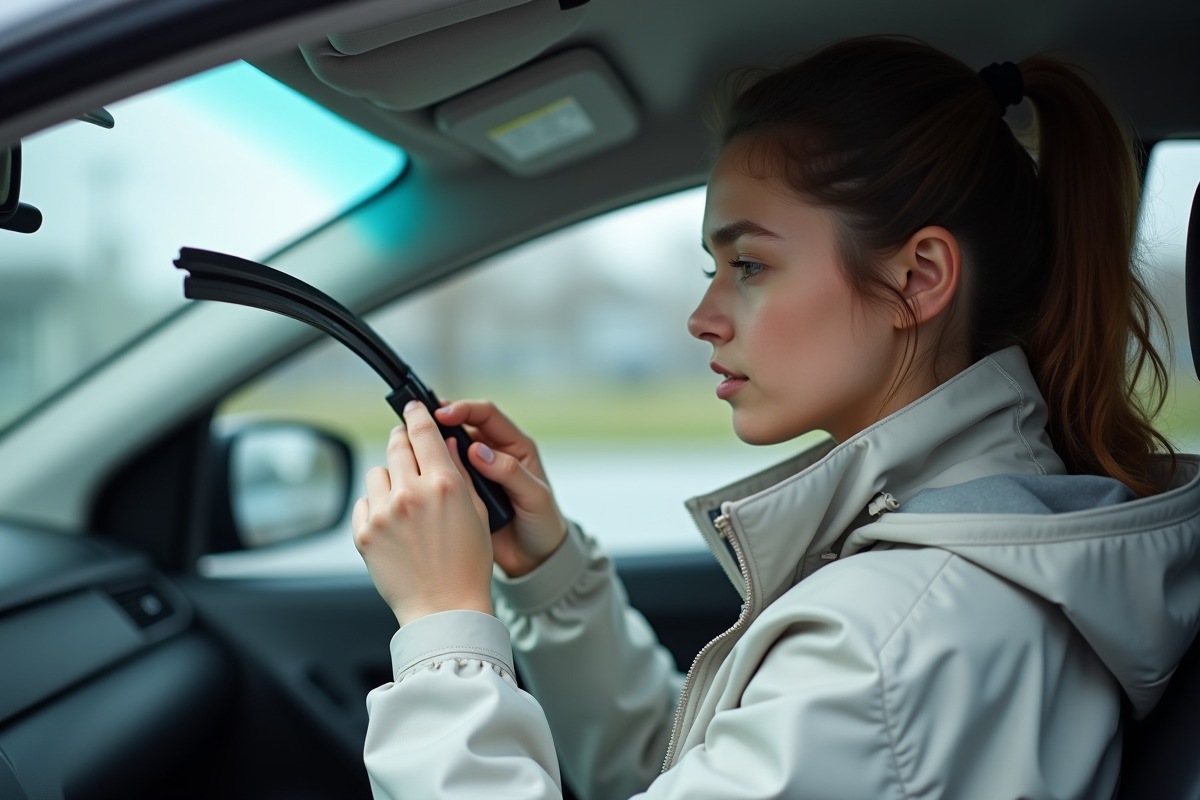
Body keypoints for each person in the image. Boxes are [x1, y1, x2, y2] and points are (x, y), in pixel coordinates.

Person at [349, 37, 1200, 800]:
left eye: (749, 265)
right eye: (712, 268)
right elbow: (686, 771)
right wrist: (548, 574)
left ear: (918, 278)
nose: (702, 318)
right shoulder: (953, 563)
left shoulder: (892, 637)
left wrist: (443, 627)